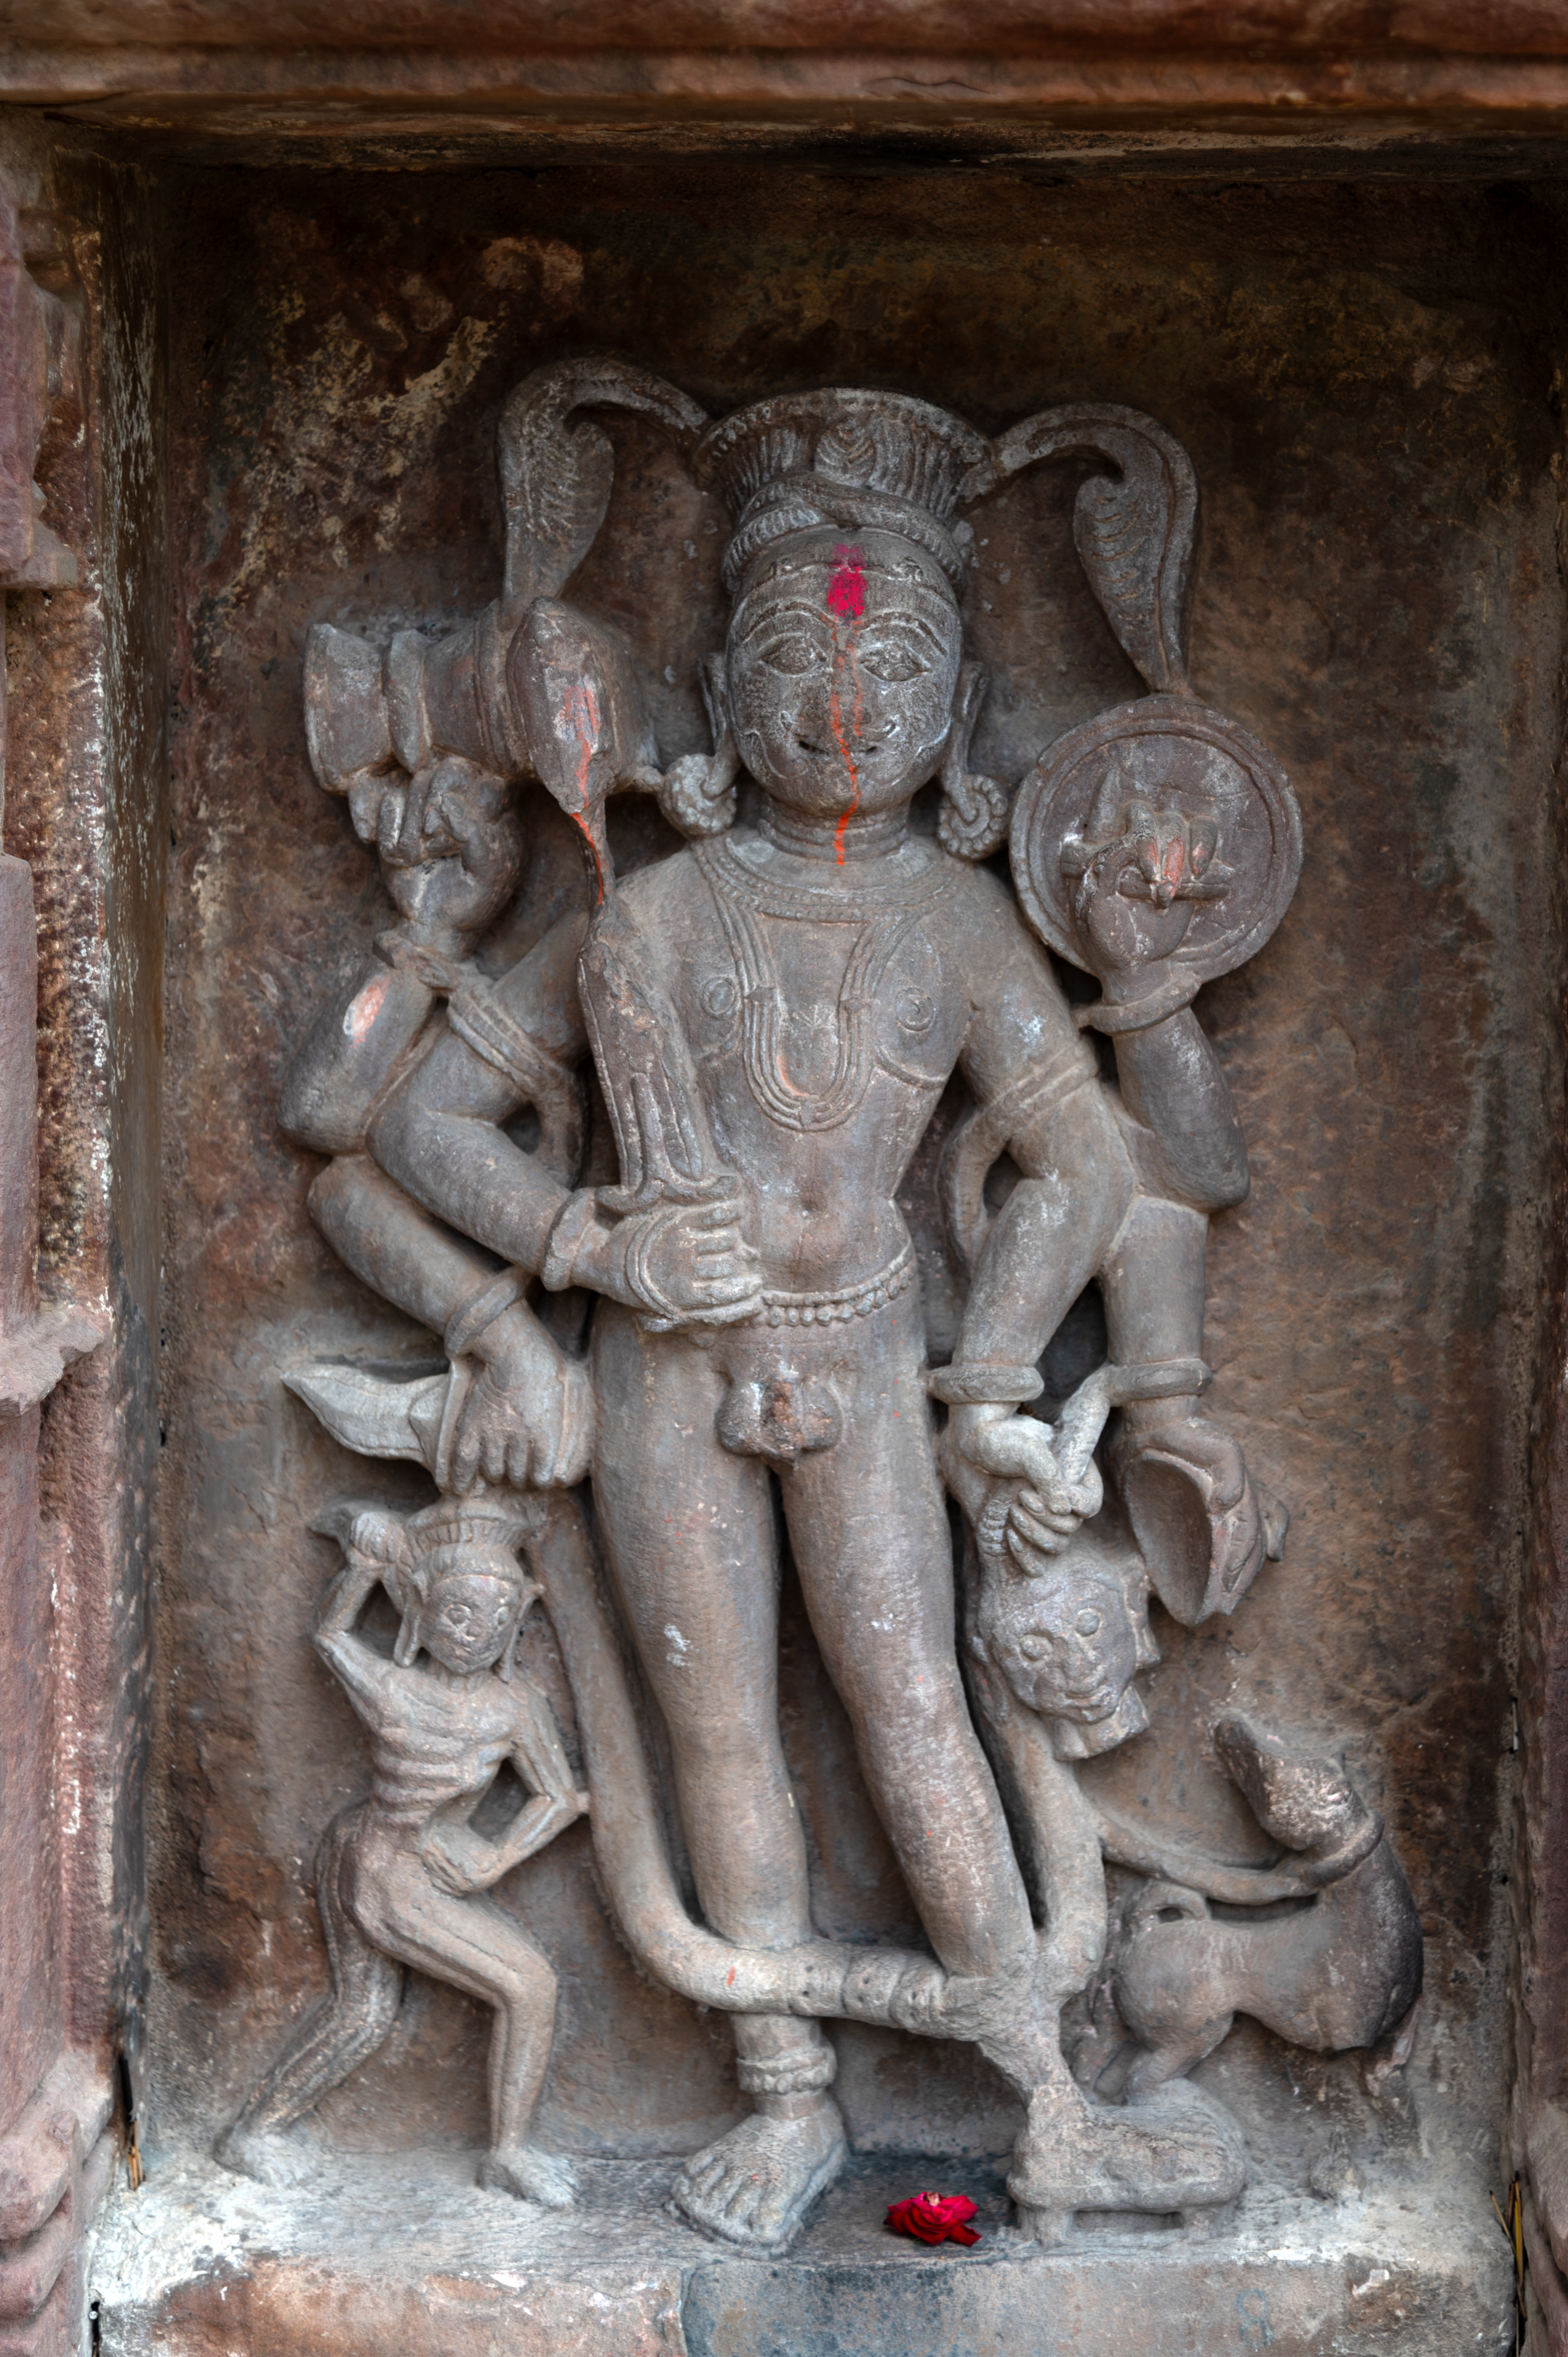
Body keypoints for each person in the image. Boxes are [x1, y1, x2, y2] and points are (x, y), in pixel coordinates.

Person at [342, 391, 1254, 2251]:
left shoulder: (961, 920)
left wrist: (993, 1366)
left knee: (918, 1704)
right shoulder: (646, 916)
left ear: (968, 709)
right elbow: (419, 1122)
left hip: (863, 1351)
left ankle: (1043, 2094)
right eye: (795, 657)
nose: (844, 707)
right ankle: (786, 2092)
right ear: (715, 686)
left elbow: (1079, 1162)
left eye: (894, 661)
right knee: (722, 1725)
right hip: (665, 1364)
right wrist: (589, 1247)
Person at [217, 1494, 586, 2207]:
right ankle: (507, 2152)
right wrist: (359, 1570)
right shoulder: (393, 1689)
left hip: (409, 1862)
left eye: (497, 1619)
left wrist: (495, 1857)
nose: (477, 1635)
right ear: (418, 1612)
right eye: (457, 1614)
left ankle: (253, 2131)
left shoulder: (515, 1709)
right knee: (529, 1985)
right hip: (378, 1862)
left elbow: (557, 1796)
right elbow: (330, 1637)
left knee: (362, 2012)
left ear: (518, 1622)